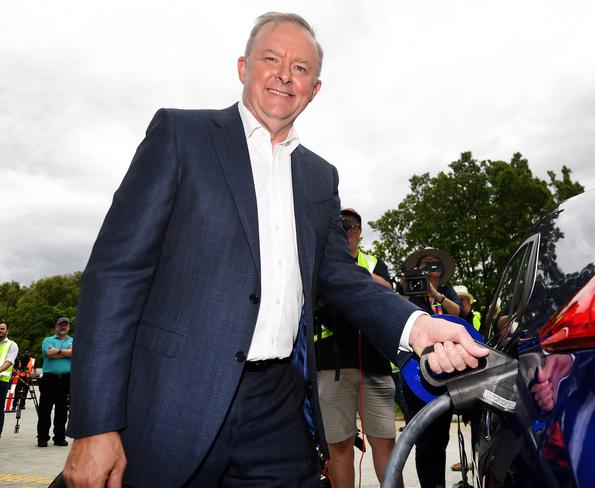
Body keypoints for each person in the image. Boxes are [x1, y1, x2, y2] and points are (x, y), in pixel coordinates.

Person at [63, 12, 486, 487]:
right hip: (173, 401)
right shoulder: (181, 137)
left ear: (315, 89)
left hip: (279, 407)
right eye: (272, 59)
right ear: (244, 67)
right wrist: (96, 425)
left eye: (301, 68)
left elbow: (341, 277)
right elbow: (114, 277)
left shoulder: (319, 178)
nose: (286, 75)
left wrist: (418, 324)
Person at [315, 208, 400, 487]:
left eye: (352, 226)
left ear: (360, 232)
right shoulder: (320, 262)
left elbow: (389, 290)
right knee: (338, 446)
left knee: (385, 444)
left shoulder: (373, 262)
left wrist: (354, 271)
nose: (346, 230)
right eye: (340, 225)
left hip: (374, 365)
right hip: (332, 366)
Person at [402, 247, 462, 488]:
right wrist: (410, 290)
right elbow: (394, 313)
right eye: (424, 265)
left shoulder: (446, 291)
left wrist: (434, 293)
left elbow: (460, 312)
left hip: (446, 370)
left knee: (440, 435)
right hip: (414, 372)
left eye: (434, 265)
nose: (430, 269)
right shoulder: (408, 291)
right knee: (424, 437)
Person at [37, 317, 73, 447]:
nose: (63, 327)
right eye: (60, 325)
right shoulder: (48, 340)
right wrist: (66, 352)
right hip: (49, 379)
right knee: (45, 410)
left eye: (65, 325)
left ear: (68, 327)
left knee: (62, 410)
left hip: (65, 379)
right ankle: (42, 437)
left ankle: (59, 437)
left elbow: (75, 353)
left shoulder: (73, 340)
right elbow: (49, 354)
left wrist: (57, 351)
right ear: (55, 327)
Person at [0, 322, 19, 439]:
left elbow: (9, 361)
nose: (0, 330)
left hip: (1, 381)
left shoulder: (12, 345)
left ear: (7, 331)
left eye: (2, 329)